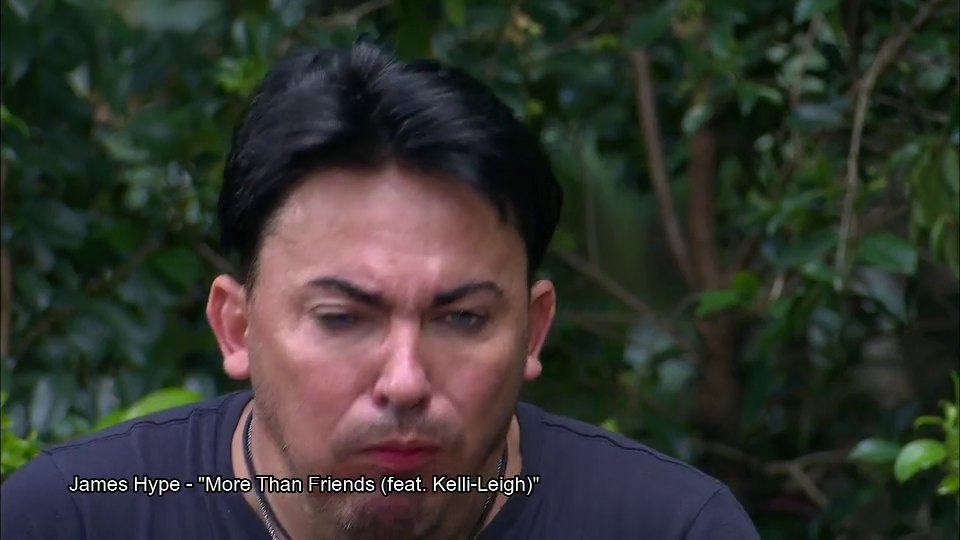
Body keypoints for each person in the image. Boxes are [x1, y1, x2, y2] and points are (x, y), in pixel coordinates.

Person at [1, 41, 760, 540]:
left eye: (463, 318)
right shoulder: (75, 518)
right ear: (237, 327)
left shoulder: (667, 528)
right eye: (342, 318)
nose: (405, 383)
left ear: (533, 331)